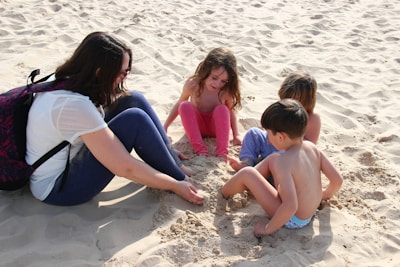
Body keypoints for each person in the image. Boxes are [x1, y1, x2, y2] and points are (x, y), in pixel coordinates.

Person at [25, 32, 204, 206]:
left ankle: (175, 164)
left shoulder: (66, 78)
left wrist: (161, 148)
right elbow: (125, 168)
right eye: (122, 72)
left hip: (69, 154)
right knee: (135, 120)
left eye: (127, 71)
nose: (124, 77)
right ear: (99, 72)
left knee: (133, 99)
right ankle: (181, 179)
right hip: (59, 188)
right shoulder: (74, 106)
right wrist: (175, 185)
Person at [221, 99, 343, 236]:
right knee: (272, 158)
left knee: (247, 173)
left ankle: (223, 193)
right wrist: (323, 195)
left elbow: (290, 206)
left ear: (280, 137)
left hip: (292, 219)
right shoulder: (312, 147)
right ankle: (249, 185)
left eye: (268, 134)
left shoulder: (284, 163)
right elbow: (337, 180)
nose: (267, 139)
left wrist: (266, 229)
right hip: (309, 212)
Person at [228, 70, 321, 171]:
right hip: (272, 143)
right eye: (282, 100)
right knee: (253, 133)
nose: (284, 104)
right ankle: (247, 162)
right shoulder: (283, 109)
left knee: (280, 156)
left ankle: (262, 171)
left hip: (288, 153)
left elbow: (308, 147)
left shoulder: (313, 119)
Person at [163, 47, 242, 158]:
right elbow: (179, 105)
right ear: (206, 70)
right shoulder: (192, 85)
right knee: (184, 105)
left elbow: (231, 112)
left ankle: (222, 151)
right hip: (197, 128)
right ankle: (200, 149)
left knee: (223, 109)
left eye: (223, 81)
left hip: (215, 129)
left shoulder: (225, 91)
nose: (218, 84)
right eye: (214, 78)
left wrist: (236, 134)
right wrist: (165, 126)